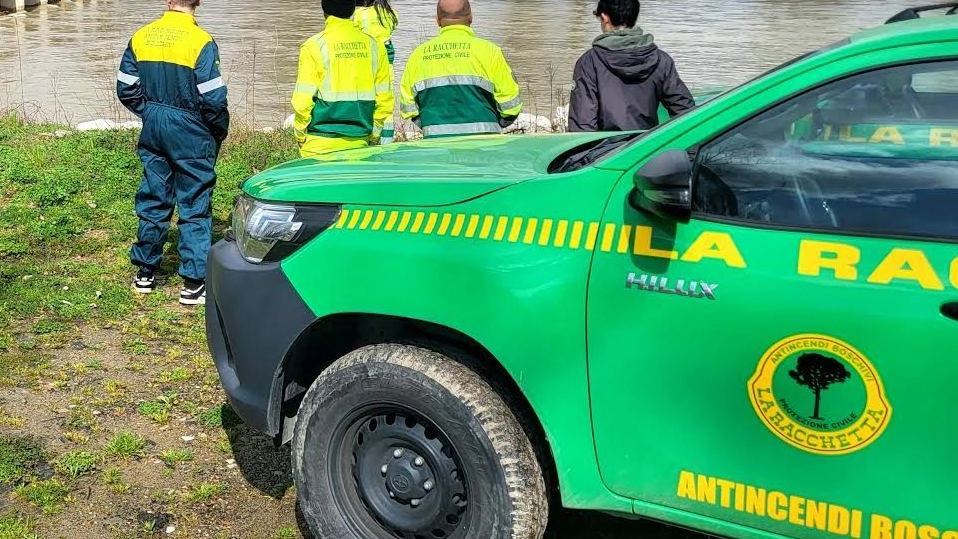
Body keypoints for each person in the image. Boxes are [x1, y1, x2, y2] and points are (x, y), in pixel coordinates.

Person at [116, 0, 229, 306]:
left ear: (168, 1)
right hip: (191, 129)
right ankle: (193, 284)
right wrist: (215, 129)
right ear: (198, 2)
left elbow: (126, 88)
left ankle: (144, 273)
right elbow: (214, 99)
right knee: (194, 199)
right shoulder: (201, 41)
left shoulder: (141, 36)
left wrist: (151, 112)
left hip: (154, 123)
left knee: (154, 195)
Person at [400, 0, 522, 138]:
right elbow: (511, 106)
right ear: (471, 17)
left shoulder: (418, 55)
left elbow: (408, 107)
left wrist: (431, 128)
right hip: (485, 146)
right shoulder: (490, 52)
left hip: (436, 146)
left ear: (437, 20)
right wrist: (493, 125)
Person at [568, 0, 694, 132]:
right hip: (646, 147)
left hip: (606, 151)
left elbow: (581, 126)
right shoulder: (661, 60)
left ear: (605, 18)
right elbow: (686, 112)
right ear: (635, 16)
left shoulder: (589, 62)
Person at [291, 0, 395, 157]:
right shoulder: (375, 46)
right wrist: (373, 134)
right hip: (360, 143)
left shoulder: (313, 46)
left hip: (317, 145)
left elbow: (302, 102)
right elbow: (385, 100)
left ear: (324, 10)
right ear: (353, 10)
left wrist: (300, 134)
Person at [353, 0, 399, 66]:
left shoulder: (360, 13)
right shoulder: (393, 13)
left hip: (369, 52)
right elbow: (391, 29)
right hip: (387, 52)